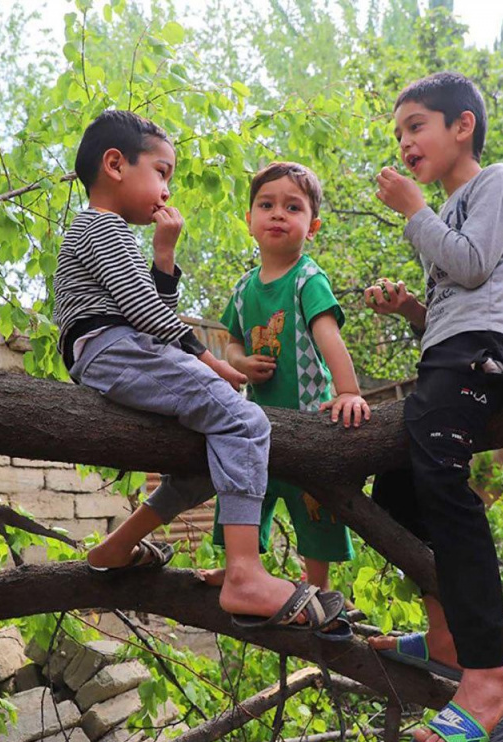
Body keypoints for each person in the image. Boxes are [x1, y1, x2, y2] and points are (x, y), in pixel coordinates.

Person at [53, 110, 345, 633]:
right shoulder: (104, 227)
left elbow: (146, 302)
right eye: (161, 171)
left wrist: (163, 253)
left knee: (205, 463)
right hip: (115, 348)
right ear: (116, 164)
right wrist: (206, 358)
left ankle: (115, 547)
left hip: (115, 348)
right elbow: (147, 314)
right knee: (246, 423)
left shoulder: (105, 233)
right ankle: (245, 574)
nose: (166, 188)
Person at [363, 73, 503, 742]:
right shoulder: (451, 207)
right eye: (399, 132)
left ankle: (489, 676)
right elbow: (452, 299)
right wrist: (411, 310)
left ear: (462, 125)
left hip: (484, 352)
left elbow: (469, 269)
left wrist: (413, 211)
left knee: (440, 481)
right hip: (452, 351)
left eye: (416, 126)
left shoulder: (495, 182)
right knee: (399, 488)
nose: (405, 142)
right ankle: (442, 639)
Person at [199, 162, 369, 603]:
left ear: (311, 227)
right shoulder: (242, 289)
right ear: (250, 220)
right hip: (257, 420)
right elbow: (231, 343)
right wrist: (241, 362)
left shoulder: (307, 278)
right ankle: (240, 567)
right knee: (246, 491)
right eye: (267, 205)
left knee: (314, 506)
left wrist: (348, 391)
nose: (277, 214)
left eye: (292, 207)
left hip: (309, 416)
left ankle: (318, 586)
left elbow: (328, 336)